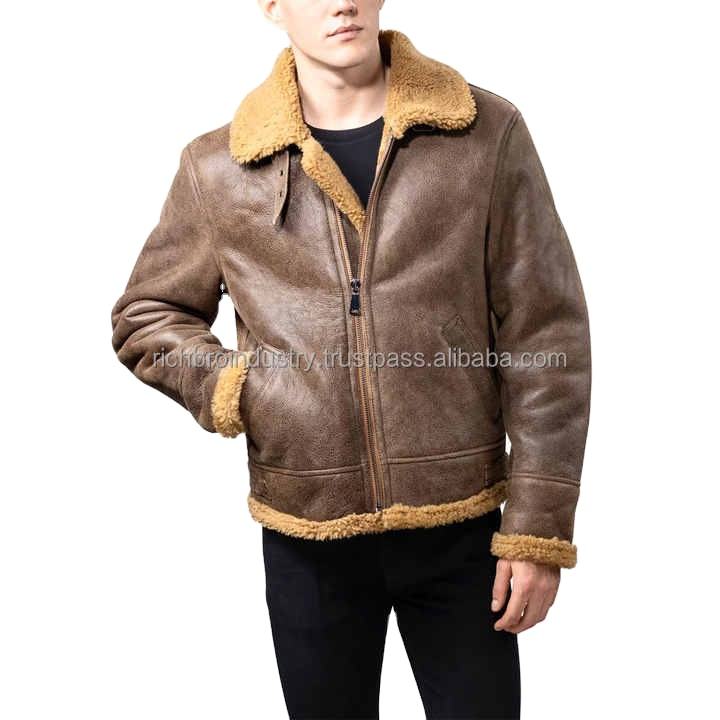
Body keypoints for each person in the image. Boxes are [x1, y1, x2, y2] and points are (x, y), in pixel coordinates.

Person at [110, 1, 591, 717]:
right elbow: (146, 315)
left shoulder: (485, 133)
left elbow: (546, 333)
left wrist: (539, 529)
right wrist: (242, 388)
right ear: (273, 5)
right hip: (307, 535)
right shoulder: (219, 167)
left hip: (463, 530)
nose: (341, 2)